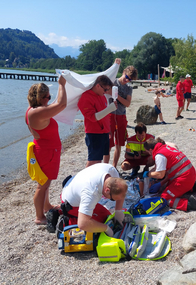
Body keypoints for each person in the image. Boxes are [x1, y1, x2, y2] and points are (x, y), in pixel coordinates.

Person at [25, 76, 67, 225]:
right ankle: (39, 217)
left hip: (46, 150)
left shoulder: (33, 110)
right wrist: (61, 85)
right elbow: (62, 104)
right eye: (48, 97)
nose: (49, 99)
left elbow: (57, 105)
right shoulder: (37, 112)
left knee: (45, 183)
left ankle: (46, 206)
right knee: (42, 185)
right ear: (40, 97)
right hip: (46, 152)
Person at [60, 163, 127, 236]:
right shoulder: (91, 192)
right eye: (113, 199)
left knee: (107, 217)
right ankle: (67, 219)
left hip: (76, 185)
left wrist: (118, 210)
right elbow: (83, 223)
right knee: (98, 225)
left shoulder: (112, 171)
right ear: (107, 190)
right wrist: (106, 228)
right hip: (70, 203)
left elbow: (121, 190)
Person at [143, 138, 196, 213]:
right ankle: (193, 186)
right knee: (169, 186)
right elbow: (166, 170)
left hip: (184, 178)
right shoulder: (165, 147)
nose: (149, 154)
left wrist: (148, 174)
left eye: (148, 152)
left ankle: (188, 204)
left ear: (150, 150)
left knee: (164, 198)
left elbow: (160, 174)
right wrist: (161, 183)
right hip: (190, 174)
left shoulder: (159, 155)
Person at [78, 75, 116, 168]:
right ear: (98, 86)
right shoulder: (86, 97)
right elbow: (92, 117)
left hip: (104, 132)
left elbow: (105, 116)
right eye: (105, 89)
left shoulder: (101, 95)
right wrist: (109, 109)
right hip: (94, 133)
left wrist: (109, 129)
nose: (106, 92)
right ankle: (85, 181)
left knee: (99, 161)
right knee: (93, 161)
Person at [109, 60, 138, 169]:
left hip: (121, 116)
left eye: (130, 79)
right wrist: (116, 64)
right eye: (126, 77)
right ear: (123, 72)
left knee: (119, 143)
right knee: (109, 143)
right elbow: (106, 75)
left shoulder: (129, 88)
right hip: (110, 115)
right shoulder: (113, 82)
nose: (127, 80)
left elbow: (127, 103)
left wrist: (117, 97)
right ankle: (106, 166)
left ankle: (114, 166)